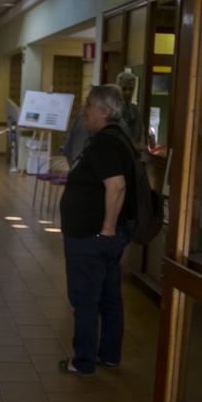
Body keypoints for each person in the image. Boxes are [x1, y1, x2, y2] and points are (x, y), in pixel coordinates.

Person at [58, 85, 136, 377]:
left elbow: (116, 186)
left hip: (92, 238)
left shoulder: (106, 143)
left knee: (86, 299)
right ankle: (109, 355)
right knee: (108, 297)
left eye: (89, 104)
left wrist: (106, 229)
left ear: (105, 111)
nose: (83, 109)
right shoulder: (116, 139)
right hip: (102, 237)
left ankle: (84, 361)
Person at [115, 70, 143, 148]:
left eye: (131, 89)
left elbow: (139, 139)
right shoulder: (110, 110)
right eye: (124, 89)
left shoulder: (135, 112)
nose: (128, 93)